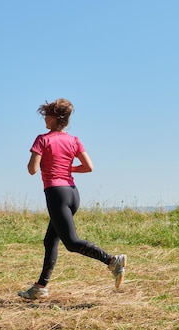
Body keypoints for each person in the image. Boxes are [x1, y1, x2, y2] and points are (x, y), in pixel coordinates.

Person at [18, 98, 127, 299]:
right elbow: (88, 167)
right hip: (72, 193)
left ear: (52, 118)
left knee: (71, 242)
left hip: (56, 193)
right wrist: (68, 167)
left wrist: (40, 161)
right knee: (50, 239)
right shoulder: (74, 140)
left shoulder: (42, 139)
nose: (44, 119)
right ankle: (40, 286)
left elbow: (32, 170)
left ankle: (112, 260)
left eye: (46, 116)